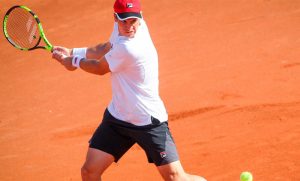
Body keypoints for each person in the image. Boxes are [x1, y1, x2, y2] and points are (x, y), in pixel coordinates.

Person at [52, 0, 207, 180]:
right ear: (115, 18)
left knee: (176, 178)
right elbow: (107, 47)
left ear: (140, 18)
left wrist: (74, 62)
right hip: (118, 117)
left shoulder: (130, 48)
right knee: (89, 171)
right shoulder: (121, 33)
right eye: (123, 20)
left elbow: (99, 67)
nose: (129, 26)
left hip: (147, 121)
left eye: (133, 21)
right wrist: (73, 51)